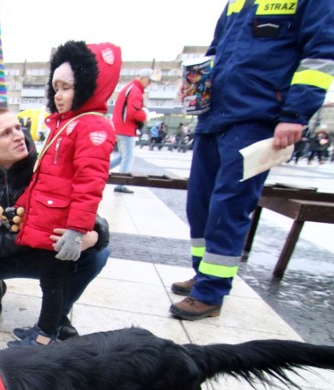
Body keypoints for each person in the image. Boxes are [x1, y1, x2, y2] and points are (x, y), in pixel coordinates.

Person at [170, 0, 333, 320]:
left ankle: (211, 290)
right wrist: (194, 86)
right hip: (213, 117)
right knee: (199, 204)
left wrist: (295, 114)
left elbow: (321, 55)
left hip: (257, 119)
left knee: (228, 207)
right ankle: (202, 273)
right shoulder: (238, 2)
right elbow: (216, 51)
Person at [0, 107, 109, 341]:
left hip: (42, 256)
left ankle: (57, 315)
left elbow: (85, 208)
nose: (19, 135)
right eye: (6, 133)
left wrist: (98, 234)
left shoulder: (47, 167)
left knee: (98, 254)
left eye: (18, 128)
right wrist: (20, 237)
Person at [9, 40, 121, 346]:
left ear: (88, 86)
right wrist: (20, 206)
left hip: (61, 225)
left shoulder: (92, 127)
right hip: (49, 220)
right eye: (55, 87)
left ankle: (45, 337)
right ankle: (49, 328)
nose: (58, 95)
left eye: (67, 87)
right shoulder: (66, 124)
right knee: (50, 281)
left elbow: (90, 184)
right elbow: (42, 178)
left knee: (54, 282)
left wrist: (76, 229)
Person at [109, 68, 152, 194]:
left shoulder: (130, 88)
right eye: (149, 81)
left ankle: (100, 171)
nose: (149, 84)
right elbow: (134, 112)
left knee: (123, 156)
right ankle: (120, 184)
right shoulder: (135, 90)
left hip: (120, 126)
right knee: (128, 157)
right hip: (126, 128)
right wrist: (145, 116)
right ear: (143, 78)